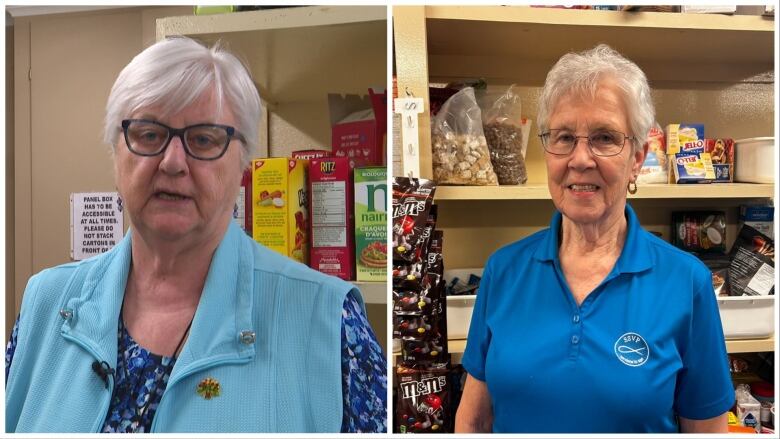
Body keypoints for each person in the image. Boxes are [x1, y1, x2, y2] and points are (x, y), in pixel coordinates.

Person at [6, 36, 386, 433]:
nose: (172, 162)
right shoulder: (44, 305)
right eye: (149, 134)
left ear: (243, 162)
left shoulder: (330, 321)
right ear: (115, 150)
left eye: (204, 139)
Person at [455, 45, 733, 433]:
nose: (580, 159)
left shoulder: (686, 282)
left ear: (638, 156)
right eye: (565, 137)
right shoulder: (504, 270)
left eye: (604, 138)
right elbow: (474, 419)